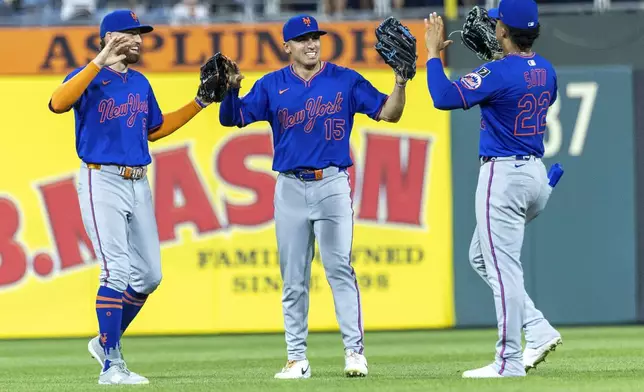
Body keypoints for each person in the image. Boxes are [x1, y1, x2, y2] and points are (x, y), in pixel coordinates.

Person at [218, 14, 408, 379]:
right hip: (289, 187)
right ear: (286, 46)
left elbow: (390, 113)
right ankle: (296, 359)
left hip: (332, 184)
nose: (311, 44)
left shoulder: (345, 80)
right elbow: (233, 119)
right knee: (293, 279)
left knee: (339, 269)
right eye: (303, 39)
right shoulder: (273, 84)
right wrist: (229, 92)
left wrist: (400, 82)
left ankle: (354, 353)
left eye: (315, 37)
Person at [48, 9, 215, 385]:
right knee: (116, 270)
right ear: (110, 37)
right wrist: (98, 61)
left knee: (149, 275)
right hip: (100, 179)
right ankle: (112, 364)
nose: (139, 39)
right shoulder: (90, 75)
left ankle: (105, 340)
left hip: (139, 181)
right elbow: (58, 103)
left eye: (140, 33)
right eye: (131, 33)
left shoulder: (139, 83)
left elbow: (154, 130)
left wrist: (199, 103)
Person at [423, 0, 563, 378]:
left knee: (504, 269)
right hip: (535, 176)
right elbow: (520, 89)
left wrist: (433, 54)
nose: (494, 25)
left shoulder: (498, 73)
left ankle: (509, 361)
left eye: (497, 22)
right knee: (483, 258)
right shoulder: (546, 70)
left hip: (504, 177)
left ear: (503, 30)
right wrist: (496, 65)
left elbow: (444, 97)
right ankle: (537, 328)